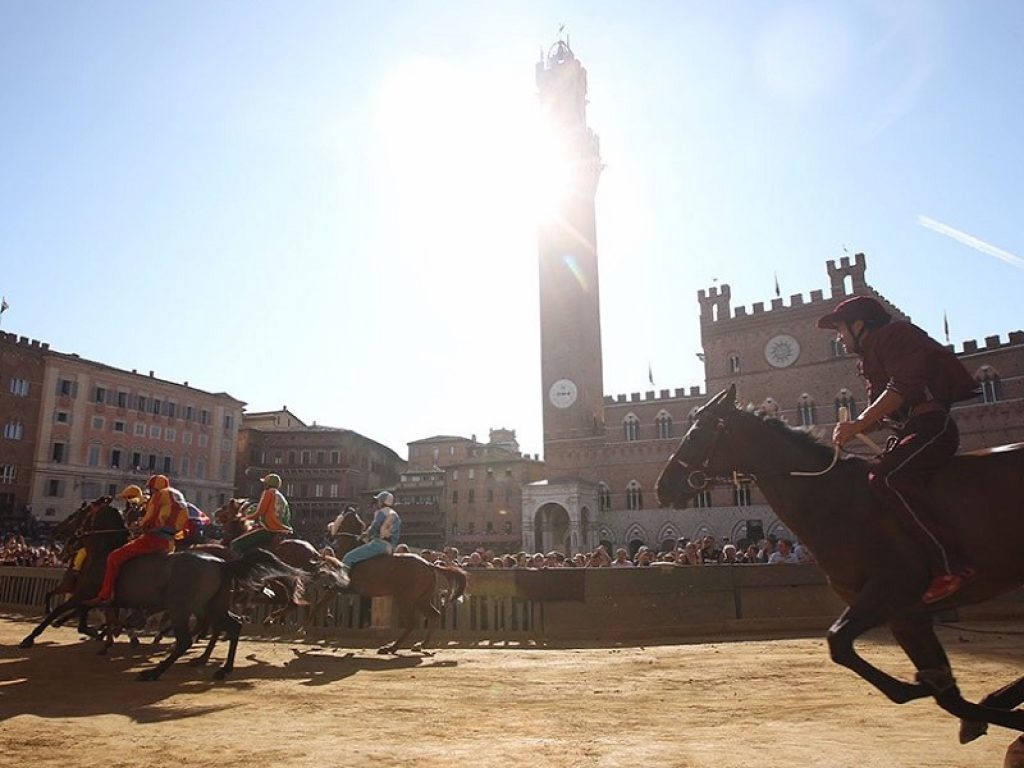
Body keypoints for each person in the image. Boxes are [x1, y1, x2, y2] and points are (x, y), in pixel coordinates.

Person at [818, 295, 979, 603]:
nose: (838, 337)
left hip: (931, 426)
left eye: (840, 329)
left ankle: (951, 565)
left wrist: (860, 422)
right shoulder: (867, 360)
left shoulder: (895, 335)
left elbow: (903, 387)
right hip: (909, 429)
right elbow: (886, 412)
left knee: (888, 479)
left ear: (859, 325)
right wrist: (855, 428)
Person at [86, 475, 188, 605]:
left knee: (114, 557)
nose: (150, 491)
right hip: (169, 543)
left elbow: (149, 519)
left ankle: (105, 595)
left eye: (150, 488)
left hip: (152, 540)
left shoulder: (158, 496)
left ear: (154, 487)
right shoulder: (177, 495)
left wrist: (140, 526)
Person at [336, 491, 401, 587]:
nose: (377, 503)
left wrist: (364, 535)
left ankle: (342, 583)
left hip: (379, 544)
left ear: (382, 502)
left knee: (348, 558)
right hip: (391, 548)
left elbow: (374, 527)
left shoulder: (381, 512)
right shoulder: (396, 515)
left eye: (378, 501)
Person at [230, 473, 293, 554]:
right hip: (283, 529)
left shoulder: (268, 493)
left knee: (236, 544)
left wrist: (244, 518)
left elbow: (259, 512)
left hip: (270, 529)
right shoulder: (279, 495)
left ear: (267, 484)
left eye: (265, 483)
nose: (264, 485)